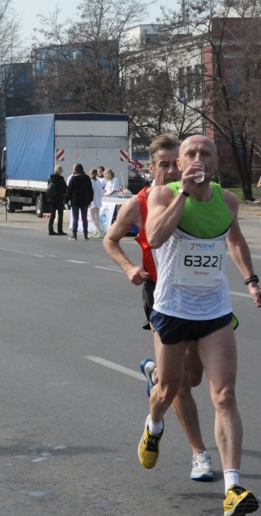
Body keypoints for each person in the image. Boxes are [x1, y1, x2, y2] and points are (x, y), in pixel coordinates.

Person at [141, 135, 261, 516]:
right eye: (191, 154)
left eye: (205, 154)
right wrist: (183, 193)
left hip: (214, 311)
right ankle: (154, 425)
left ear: (216, 162)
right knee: (169, 388)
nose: (198, 159)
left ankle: (232, 488)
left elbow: (235, 240)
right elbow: (154, 236)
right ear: (180, 163)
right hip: (172, 310)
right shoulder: (163, 195)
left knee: (224, 395)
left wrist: (251, 281)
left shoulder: (227, 201)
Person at [103, 134, 216, 482]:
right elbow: (110, 239)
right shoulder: (138, 203)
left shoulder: (198, 196)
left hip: (198, 295)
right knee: (180, 383)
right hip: (160, 294)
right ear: (150, 168)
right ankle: (199, 453)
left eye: (174, 164)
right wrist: (128, 268)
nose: (170, 171)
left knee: (193, 376)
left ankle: (156, 375)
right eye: (162, 165)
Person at [65, 164, 93, 240]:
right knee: (84, 218)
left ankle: (74, 235)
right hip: (84, 200)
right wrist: (90, 199)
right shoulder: (87, 178)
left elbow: (69, 191)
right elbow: (90, 189)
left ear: (75, 170)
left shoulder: (73, 178)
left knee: (75, 218)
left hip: (75, 200)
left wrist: (66, 200)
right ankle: (85, 235)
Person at [47, 166, 68, 236]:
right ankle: (60, 230)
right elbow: (64, 189)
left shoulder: (50, 178)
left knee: (52, 214)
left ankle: (50, 229)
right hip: (59, 199)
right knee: (60, 215)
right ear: (60, 171)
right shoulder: (60, 179)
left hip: (51, 199)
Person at [88, 168, 105, 238]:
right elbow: (102, 192)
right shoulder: (98, 181)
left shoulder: (91, 181)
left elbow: (90, 191)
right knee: (97, 217)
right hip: (98, 201)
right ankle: (97, 231)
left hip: (93, 201)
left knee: (93, 217)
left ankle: (100, 231)